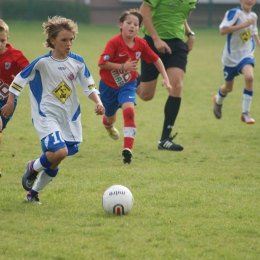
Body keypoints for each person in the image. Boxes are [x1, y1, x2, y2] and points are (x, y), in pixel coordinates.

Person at [1, 16, 105, 204]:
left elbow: (89, 86)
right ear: (52, 41)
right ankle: (33, 166)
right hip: (46, 116)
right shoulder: (41, 63)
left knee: (57, 158)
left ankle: (33, 194)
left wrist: (98, 102)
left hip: (69, 118)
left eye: (71, 39)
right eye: (64, 40)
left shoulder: (78, 62)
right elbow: (18, 80)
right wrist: (10, 102)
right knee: (60, 152)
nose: (69, 43)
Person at [98, 9, 172, 164]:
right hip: (108, 86)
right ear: (121, 25)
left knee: (129, 111)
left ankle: (127, 150)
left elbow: (156, 59)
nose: (132, 26)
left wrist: (166, 78)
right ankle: (107, 124)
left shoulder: (141, 44)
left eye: (136, 24)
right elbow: (102, 64)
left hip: (128, 84)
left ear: (139, 29)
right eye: (129, 23)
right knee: (110, 117)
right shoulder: (114, 43)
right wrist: (122, 66)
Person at [136, 0, 198, 151]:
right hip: (152, 43)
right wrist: (156, 39)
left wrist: (189, 34)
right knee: (146, 95)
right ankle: (126, 75)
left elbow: (178, 14)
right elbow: (144, 11)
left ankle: (164, 139)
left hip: (177, 45)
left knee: (177, 86)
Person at [213, 0, 260, 124]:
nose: (249, 1)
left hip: (246, 53)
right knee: (228, 88)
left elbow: (254, 32)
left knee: (249, 77)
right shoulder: (234, 13)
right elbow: (223, 31)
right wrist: (245, 24)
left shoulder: (253, 16)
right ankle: (218, 101)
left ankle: (245, 113)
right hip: (231, 57)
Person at [0, 19, 29, 146]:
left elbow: (29, 74)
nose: (0, 44)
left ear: (7, 38)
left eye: (2, 41)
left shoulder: (15, 55)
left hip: (7, 100)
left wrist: (19, 79)